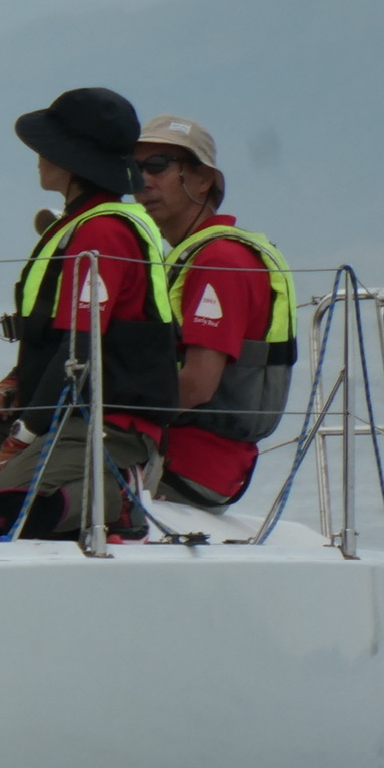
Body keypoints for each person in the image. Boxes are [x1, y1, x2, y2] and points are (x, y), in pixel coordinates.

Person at [0, 89, 179, 538]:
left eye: (48, 146)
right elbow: (57, 337)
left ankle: (117, 494)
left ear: (73, 158)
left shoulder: (104, 232)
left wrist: (20, 437)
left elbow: (80, 349)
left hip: (107, 423)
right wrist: (12, 383)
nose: (39, 156)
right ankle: (25, 478)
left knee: (9, 513)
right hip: (54, 410)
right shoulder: (78, 222)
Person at [131, 115, 296, 508]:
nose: (142, 182)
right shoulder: (190, 257)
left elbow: (197, 385)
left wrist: (110, 414)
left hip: (187, 465)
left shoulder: (220, 260)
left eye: (157, 166)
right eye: (134, 170)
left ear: (203, 179)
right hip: (182, 456)